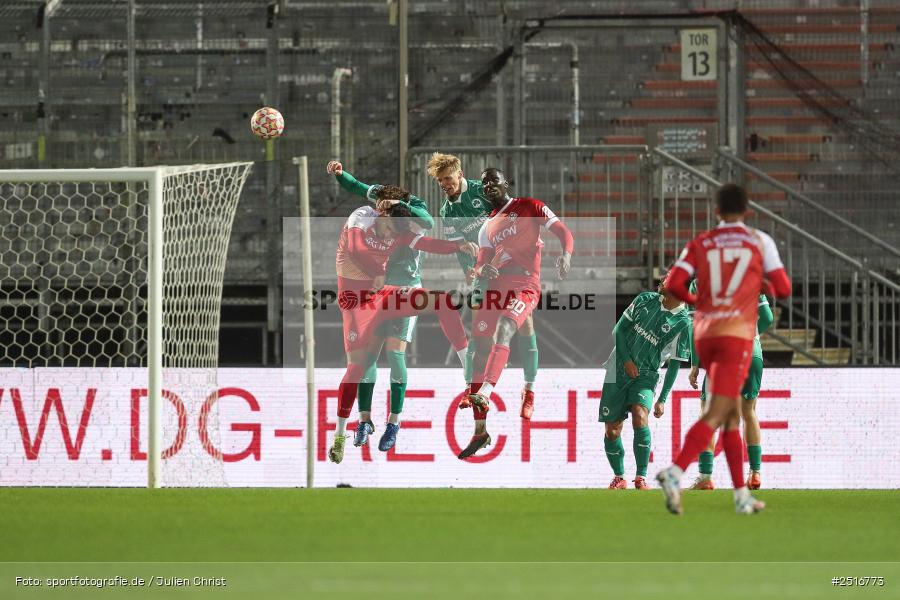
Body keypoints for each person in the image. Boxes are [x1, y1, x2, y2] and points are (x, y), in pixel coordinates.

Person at [656, 183, 791, 515]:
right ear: (747, 211)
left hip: (706, 333)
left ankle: (741, 496)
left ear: (716, 211)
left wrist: (698, 300)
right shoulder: (759, 241)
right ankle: (674, 472)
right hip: (736, 336)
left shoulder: (701, 243)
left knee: (729, 416)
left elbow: (673, 284)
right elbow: (784, 288)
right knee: (719, 412)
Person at [328, 200, 476, 464]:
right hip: (356, 302)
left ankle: (469, 371)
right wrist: (377, 271)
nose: (388, 237)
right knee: (357, 368)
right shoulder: (361, 217)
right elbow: (356, 249)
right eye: (387, 230)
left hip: (389, 295)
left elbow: (428, 240)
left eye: (393, 234)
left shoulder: (400, 229)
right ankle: (340, 434)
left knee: (441, 301)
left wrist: (458, 246)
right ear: (381, 214)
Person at [459, 167, 574, 459]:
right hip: (496, 288)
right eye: (484, 184)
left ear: (505, 183)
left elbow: (562, 231)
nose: (488, 186)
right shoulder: (487, 227)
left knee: (507, 329)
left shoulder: (529, 206)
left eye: (493, 181)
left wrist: (566, 254)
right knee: (478, 349)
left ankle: (496, 391)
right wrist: (479, 270)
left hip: (525, 284)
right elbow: (481, 264)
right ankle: (480, 430)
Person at [327, 159, 434, 452]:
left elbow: (429, 222)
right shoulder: (376, 212)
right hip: (378, 295)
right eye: (380, 207)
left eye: (386, 209)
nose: (380, 214)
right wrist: (340, 175)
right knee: (367, 359)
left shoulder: (410, 214)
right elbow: (358, 187)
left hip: (406, 293)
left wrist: (403, 205)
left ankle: (394, 422)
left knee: (395, 354)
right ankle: (364, 419)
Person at [427, 153, 540, 420]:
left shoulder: (483, 190)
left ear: (460, 173)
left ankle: (530, 388)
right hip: (483, 271)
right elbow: (459, 247)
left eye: (448, 178)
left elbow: (512, 214)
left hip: (511, 265)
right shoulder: (447, 212)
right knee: (480, 330)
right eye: (440, 181)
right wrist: (469, 270)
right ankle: (475, 389)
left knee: (525, 325)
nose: (445, 184)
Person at [599, 281, 692, 490]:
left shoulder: (683, 323)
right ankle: (619, 477)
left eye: (669, 278)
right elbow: (619, 330)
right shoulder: (644, 299)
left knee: (640, 415)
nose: (662, 281)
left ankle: (640, 477)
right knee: (612, 430)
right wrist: (626, 361)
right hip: (617, 367)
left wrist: (663, 398)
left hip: (647, 375)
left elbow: (675, 363)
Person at [688, 279, 774, 490]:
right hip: (751, 351)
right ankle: (755, 473)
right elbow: (768, 318)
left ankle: (705, 477)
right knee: (749, 411)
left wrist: (695, 364)